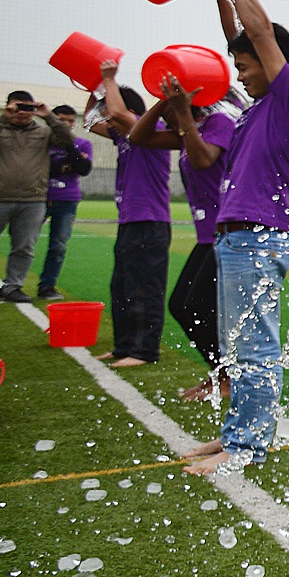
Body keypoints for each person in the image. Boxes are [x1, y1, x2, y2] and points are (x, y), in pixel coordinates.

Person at [181, 0, 289, 473]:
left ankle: (246, 446)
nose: (238, 74)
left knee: (254, 348)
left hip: (259, 239)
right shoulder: (255, 108)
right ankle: (235, 435)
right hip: (237, 240)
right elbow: (240, 41)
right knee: (235, 347)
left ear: (271, 62)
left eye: (245, 66)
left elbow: (259, 35)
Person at [126, 77, 237, 399]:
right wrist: (166, 101)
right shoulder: (188, 131)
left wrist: (182, 113)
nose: (167, 121)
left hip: (226, 231)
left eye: (171, 113)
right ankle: (221, 374)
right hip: (208, 236)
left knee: (197, 306)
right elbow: (138, 136)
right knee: (182, 305)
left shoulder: (218, 123)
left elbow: (204, 160)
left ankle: (228, 377)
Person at [91, 75, 174, 366]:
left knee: (144, 288)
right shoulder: (122, 137)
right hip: (129, 222)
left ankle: (144, 351)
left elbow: (116, 112)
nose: (108, 120)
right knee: (122, 286)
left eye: (111, 114)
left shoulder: (151, 131)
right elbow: (90, 121)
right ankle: (123, 346)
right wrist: (94, 84)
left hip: (149, 222)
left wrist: (109, 79)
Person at [0, 89, 73, 305]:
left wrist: (48, 116)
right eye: (18, 107)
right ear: (9, 106)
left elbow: (68, 139)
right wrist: (4, 117)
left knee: (24, 247)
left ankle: (13, 286)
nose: (22, 112)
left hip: (32, 200)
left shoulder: (44, 132)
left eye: (27, 107)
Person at [36, 104, 94, 301]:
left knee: (58, 246)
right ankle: (13, 285)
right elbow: (41, 169)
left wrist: (69, 147)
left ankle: (47, 286)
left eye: (70, 121)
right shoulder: (41, 142)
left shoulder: (82, 144)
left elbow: (83, 168)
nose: (67, 124)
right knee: (25, 243)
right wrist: (64, 166)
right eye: (61, 120)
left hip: (67, 200)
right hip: (38, 198)